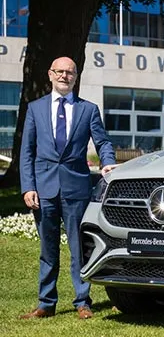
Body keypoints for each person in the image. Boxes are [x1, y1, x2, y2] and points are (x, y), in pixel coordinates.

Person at [19, 56, 116, 320]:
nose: (64, 76)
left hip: (76, 189)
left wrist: (107, 163)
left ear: (76, 76)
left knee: (79, 249)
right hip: (44, 189)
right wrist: (28, 186)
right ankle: (46, 303)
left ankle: (83, 302)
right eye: (59, 72)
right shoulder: (35, 109)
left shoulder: (88, 110)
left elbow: (103, 142)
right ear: (50, 74)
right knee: (47, 250)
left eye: (70, 72)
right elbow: (26, 152)